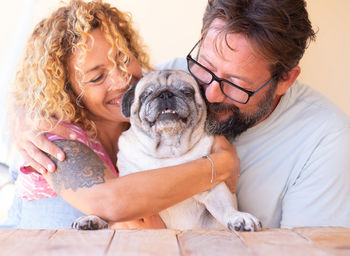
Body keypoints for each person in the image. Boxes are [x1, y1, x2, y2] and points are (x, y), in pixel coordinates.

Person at [10, 0, 350, 228]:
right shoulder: (172, 80)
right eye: (205, 67)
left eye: (236, 84)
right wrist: (24, 115)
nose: (210, 93)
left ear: (285, 79)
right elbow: (83, 95)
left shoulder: (325, 139)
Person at [1, 0, 238, 229]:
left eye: (123, 59)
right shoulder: (54, 135)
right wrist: (220, 164)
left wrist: (217, 144)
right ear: (68, 91)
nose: (121, 80)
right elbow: (112, 204)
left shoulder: (143, 107)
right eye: (97, 77)